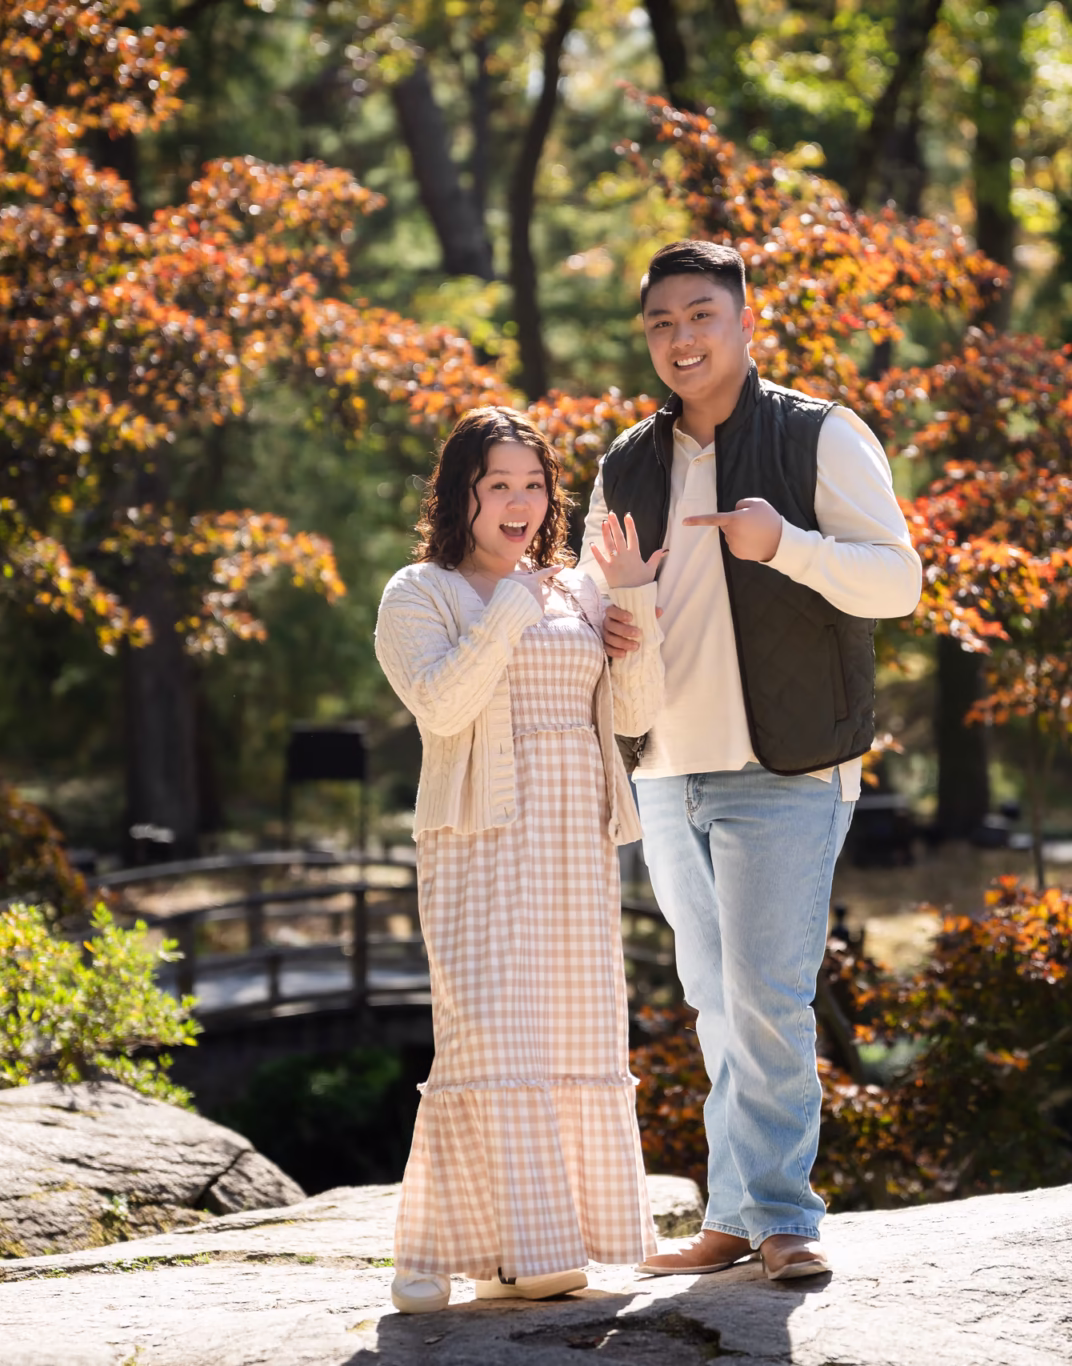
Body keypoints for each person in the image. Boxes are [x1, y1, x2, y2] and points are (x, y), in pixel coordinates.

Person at [584, 240, 922, 1280]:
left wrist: (787, 546)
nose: (681, 339)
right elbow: (592, 604)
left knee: (769, 994)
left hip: (787, 766)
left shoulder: (818, 435)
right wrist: (604, 620)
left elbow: (898, 584)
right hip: (665, 768)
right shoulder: (625, 463)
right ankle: (731, 1215)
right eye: (661, 324)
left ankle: (783, 1219)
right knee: (711, 996)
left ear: (742, 322)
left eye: (700, 316)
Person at [373, 406, 669, 1313]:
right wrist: (508, 599)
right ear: (459, 493)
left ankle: (544, 1245)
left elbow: (630, 713)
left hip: (574, 839)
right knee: (486, 1028)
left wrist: (631, 609)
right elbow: (443, 706)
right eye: (496, 484)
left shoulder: (574, 590)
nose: (519, 503)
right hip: (477, 839)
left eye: (533, 485)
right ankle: (438, 1250)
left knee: (570, 1028)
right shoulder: (417, 592)